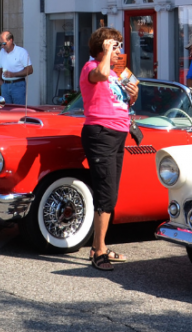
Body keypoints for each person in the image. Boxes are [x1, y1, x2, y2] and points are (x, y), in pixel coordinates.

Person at [81, 26, 139, 272]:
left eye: (118, 46)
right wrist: (105, 54)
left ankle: (102, 245)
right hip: (100, 133)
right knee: (105, 193)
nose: (118, 50)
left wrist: (134, 94)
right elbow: (101, 74)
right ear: (101, 48)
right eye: (113, 46)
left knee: (111, 193)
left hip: (119, 132)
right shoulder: (91, 67)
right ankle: (98, 251)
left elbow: (131, 95)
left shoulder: (120, 71)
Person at [0, 31, 33, 106]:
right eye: (1, 44)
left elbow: (30, 70)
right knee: (6, 110)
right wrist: (0, 82)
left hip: (18, 85)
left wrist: (14, 74)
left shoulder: (22, 52)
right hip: (5, 85)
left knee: (18, 109)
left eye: (4, 43)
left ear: (11, 40)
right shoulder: (1, 52)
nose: (2, 46)